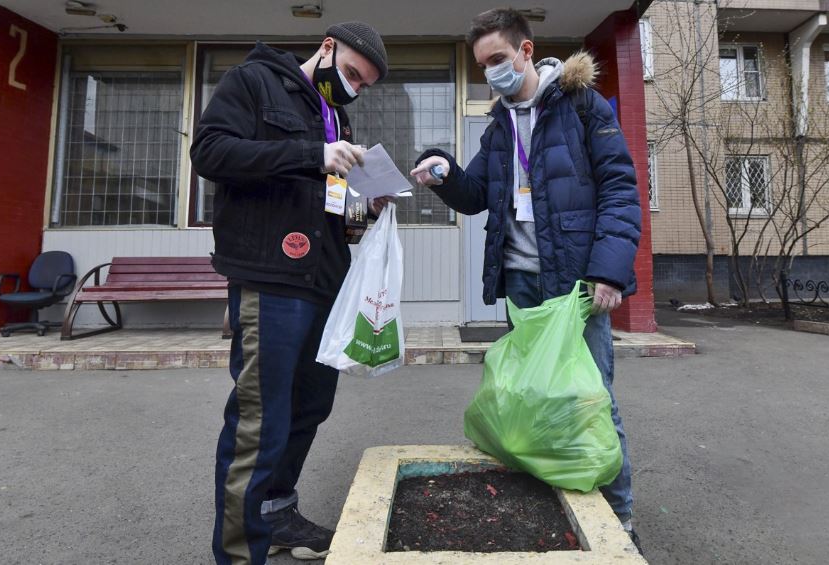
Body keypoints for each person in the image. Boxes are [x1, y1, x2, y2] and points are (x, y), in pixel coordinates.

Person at [411, 8, 643, 552]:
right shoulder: (498, 125)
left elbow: (619, 189)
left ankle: (621, 517)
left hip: (576, 286)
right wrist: (442, 171)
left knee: (590, 398)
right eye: (482, 65)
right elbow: (475, 196)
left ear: (526, 51)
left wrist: (609, 271)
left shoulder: (582, 104)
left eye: (497, 59)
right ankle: (555, 496)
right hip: (522, 283)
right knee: (536, 395)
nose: (490, 71)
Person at [190, 22, 391, 565]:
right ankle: (238, 552)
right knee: (261, 416)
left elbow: (326, 206)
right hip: (270, 279)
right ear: (326, 48)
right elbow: (210, 153)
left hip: (324, 282)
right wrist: (312, 154)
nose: (353, 87)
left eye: (363, 84)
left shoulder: (335, 117)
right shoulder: (254, 82)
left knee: (309, 406)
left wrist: (364, 208)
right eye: (350, 73)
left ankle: (276, 514)